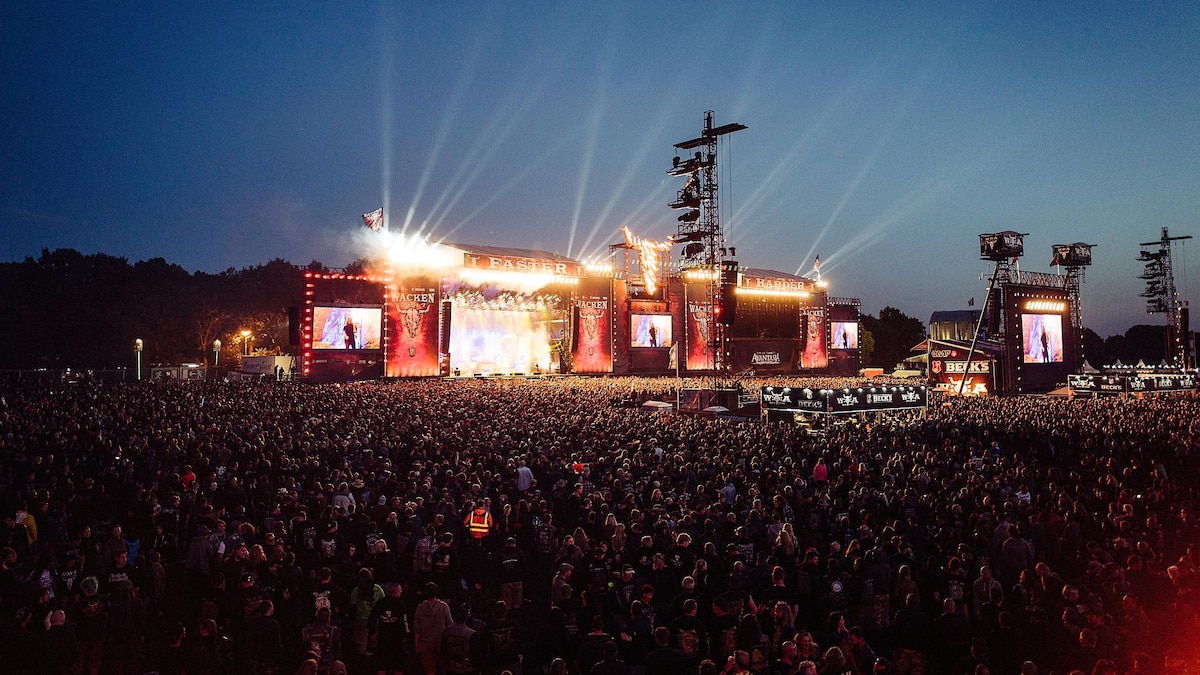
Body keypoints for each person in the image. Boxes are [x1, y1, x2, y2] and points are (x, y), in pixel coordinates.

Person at [414, 582, 454, 675]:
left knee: (429, 670)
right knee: (442, 669)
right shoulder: (443, 606)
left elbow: (417, 627)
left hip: (426, 643)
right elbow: (450, 625)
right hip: (441, 642)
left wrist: (416, 643)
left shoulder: (420, 607)